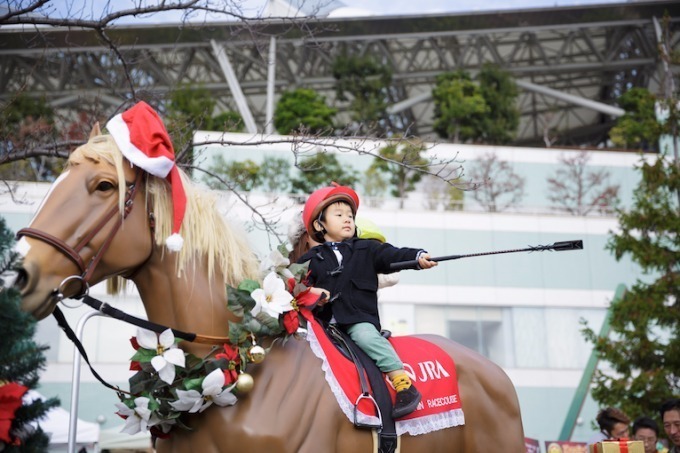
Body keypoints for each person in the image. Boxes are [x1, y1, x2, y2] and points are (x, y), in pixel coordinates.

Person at [297, 183, 438, 419]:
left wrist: (417, 257)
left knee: (365, 335)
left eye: (350, 216)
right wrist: (314, 293)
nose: (347, 220)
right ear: (319, 225)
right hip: (323, 325)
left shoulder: (367, 248)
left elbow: (392, 254)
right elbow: (298, 286)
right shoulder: (310, 259)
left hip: (356, 319)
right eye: (339, 215)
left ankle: (403, 383)